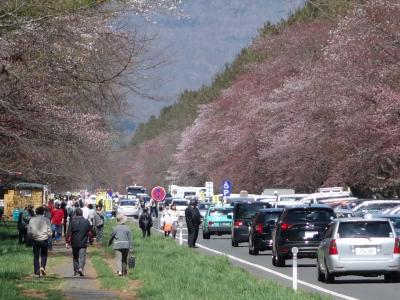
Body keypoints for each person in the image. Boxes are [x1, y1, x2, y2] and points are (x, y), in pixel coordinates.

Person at [66, 208, 92, 276]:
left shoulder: (72, 222)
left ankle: (76, 270)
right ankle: (80, 267)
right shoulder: (86, 222)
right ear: (82, 214)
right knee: (82, 256)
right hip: (83, 241)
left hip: (74, 242)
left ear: (76, 214)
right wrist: (91, 240)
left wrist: (67, 242)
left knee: (75, 257)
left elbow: (69, 233)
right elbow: (90, 232)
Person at [27, 206, 52, 277]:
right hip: (44, 239)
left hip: (35, 240)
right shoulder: (46, 220)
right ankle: (42, 267)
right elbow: (49, 232)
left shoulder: (32, 220)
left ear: (36, 212)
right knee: (44, 254)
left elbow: (29, 231)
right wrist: (49, 235)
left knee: (36, 256)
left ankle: (37, 270)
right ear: (43, 212)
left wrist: (30, 237)